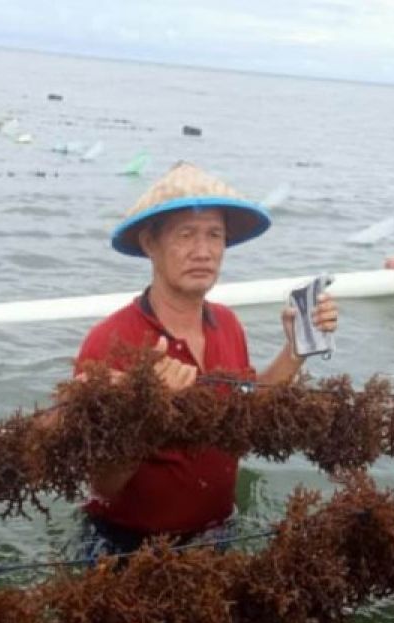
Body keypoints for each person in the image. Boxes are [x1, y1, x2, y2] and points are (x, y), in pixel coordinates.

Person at [74, 161, 339, 557]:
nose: (203, 251)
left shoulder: (227, 324)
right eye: (186, 235)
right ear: (150, 243)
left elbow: (245, 412)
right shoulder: (110, 341)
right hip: (128, 546)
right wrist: (148, 409)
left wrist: (297, 349)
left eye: (215, 235)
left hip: (217, 533)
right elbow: (101, 484)